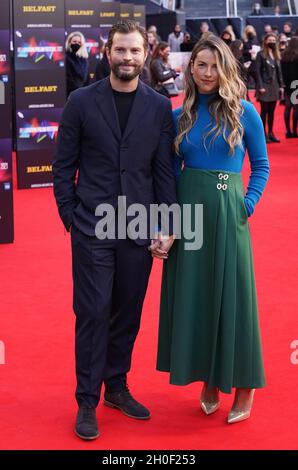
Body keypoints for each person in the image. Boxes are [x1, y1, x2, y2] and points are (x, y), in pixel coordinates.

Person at [53, 20, 177, 440]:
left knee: (128, 310)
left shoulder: (160, 107)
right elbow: (63, 166)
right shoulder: (81, 102)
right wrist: (70, 215)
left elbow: (164, 174)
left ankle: (116, 386)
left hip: (139, 227)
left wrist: (169, 225)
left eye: (135, 51)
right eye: (120, 50)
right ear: (108, 52)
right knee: (92, 312)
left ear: (146, 54)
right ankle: (86, 399)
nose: (127, 58)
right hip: (91, 226)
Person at [156, 34, 269, 424]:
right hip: (188, 213)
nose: (207, 73)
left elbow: (262, 165)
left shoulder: (244, 111)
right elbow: (169, 176)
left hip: (227, 211)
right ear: (191, 69)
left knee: (236, 296)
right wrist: (167, 223)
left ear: (225, 67)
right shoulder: (178, 116)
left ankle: (244, 384)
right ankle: (208, 378)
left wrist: (247, 204)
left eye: (213, 65)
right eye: (200, 65)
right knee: (199, 296)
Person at [255, 33, 284, 143]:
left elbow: (278, 72)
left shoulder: (277, 54)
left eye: (273, 40)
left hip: (275, 86)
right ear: (265, 41)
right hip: (265, 86)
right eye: (269, 40)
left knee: (272, 111)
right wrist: (260, 86)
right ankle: (263, 134)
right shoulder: (261, 54)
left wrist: (281, 85)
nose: (271, 41)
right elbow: (257, 71)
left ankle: (271, 132)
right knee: (264, 111)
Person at [281, 37, 298, 137]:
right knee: (296, 108)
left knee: (288, 107)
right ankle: (295, 131)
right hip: (296, 83)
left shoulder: (284, 55)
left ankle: (288, 131)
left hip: (287, 84)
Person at [65, 32, 89, 97]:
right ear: (69, 42)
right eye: (74, 41)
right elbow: (68, 77)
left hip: (83, 93)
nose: (77, 44)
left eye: (79, 42)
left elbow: (86, 78)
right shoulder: (66, 57)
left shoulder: (84, 58)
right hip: (70, 93)